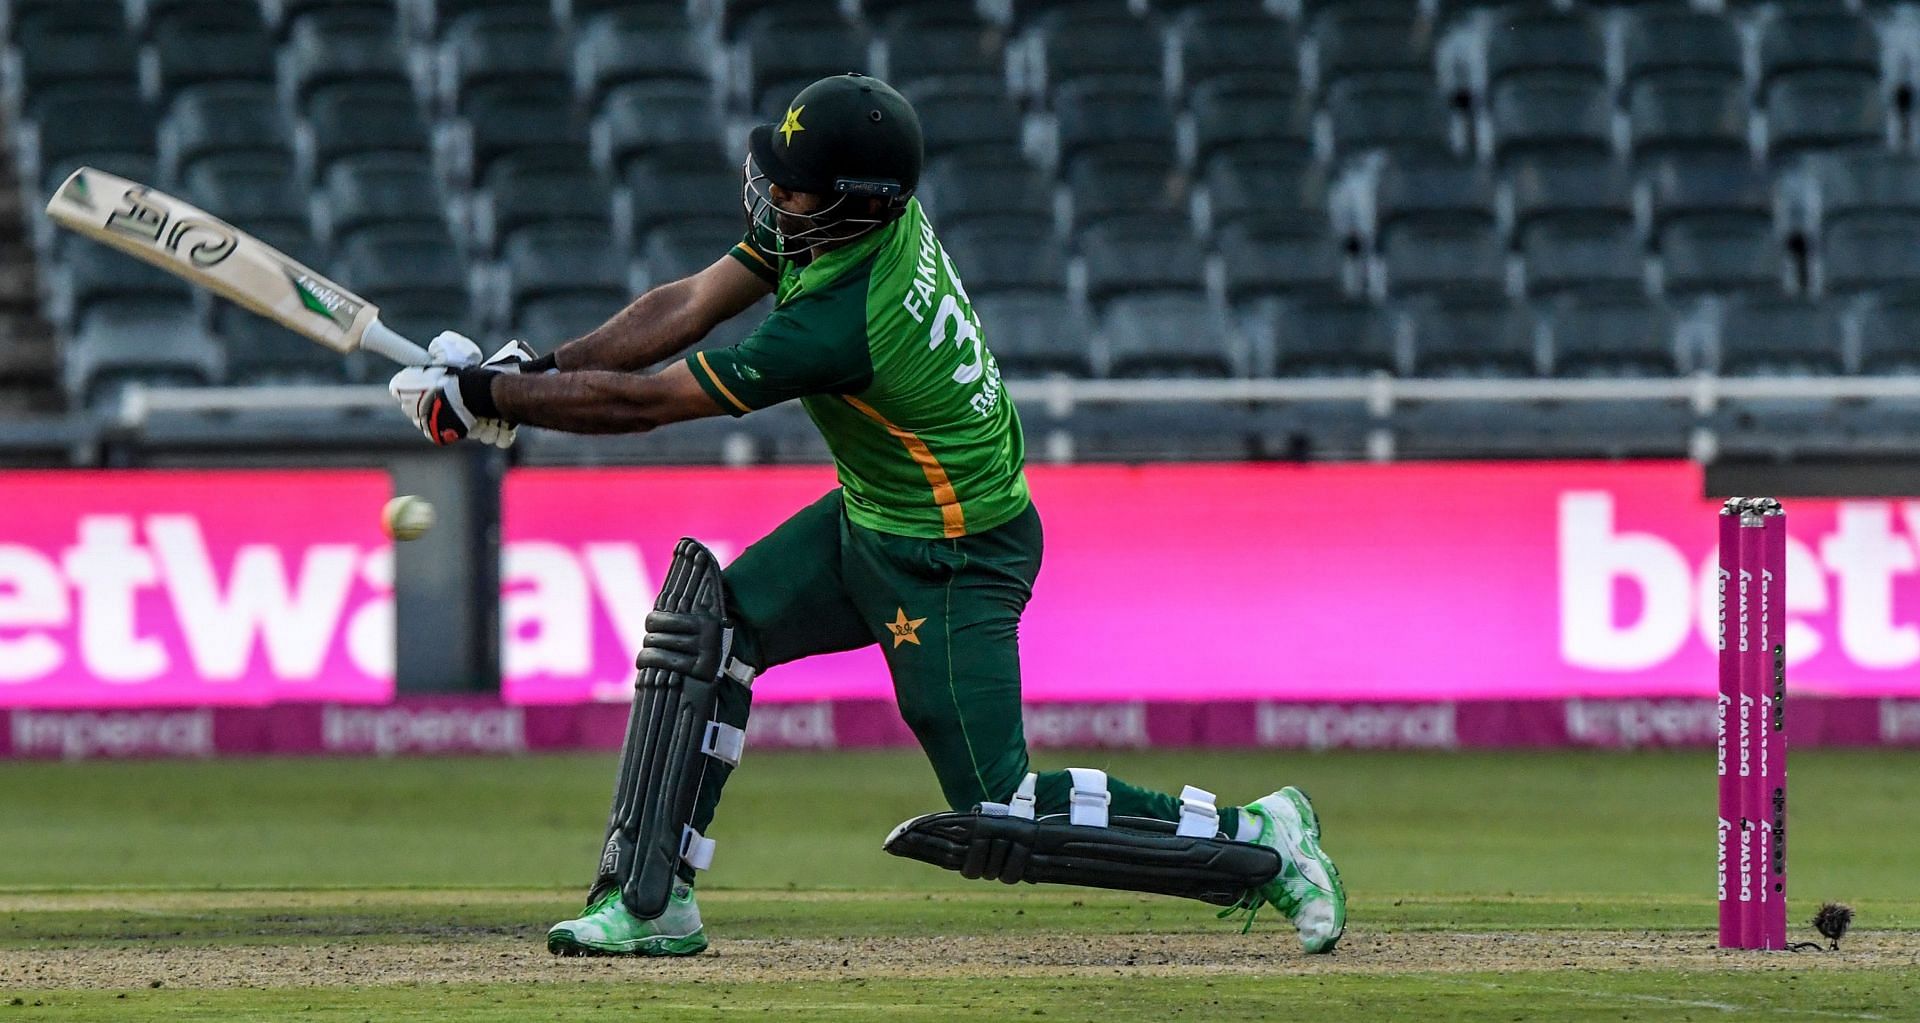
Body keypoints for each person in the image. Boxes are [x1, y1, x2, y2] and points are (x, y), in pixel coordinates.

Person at [388, 73, 1344, 957]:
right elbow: (687, 301)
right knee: (711, 624)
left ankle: (1263, 838)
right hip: (873, 519)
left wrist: (495, 403)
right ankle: (651, 903)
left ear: (855, 202)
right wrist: (530, 372)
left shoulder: (842, 321)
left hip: (955, 558)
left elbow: (647, 403)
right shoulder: (838, 223)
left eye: (796, 190)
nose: (773, 198)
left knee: (998, 805)